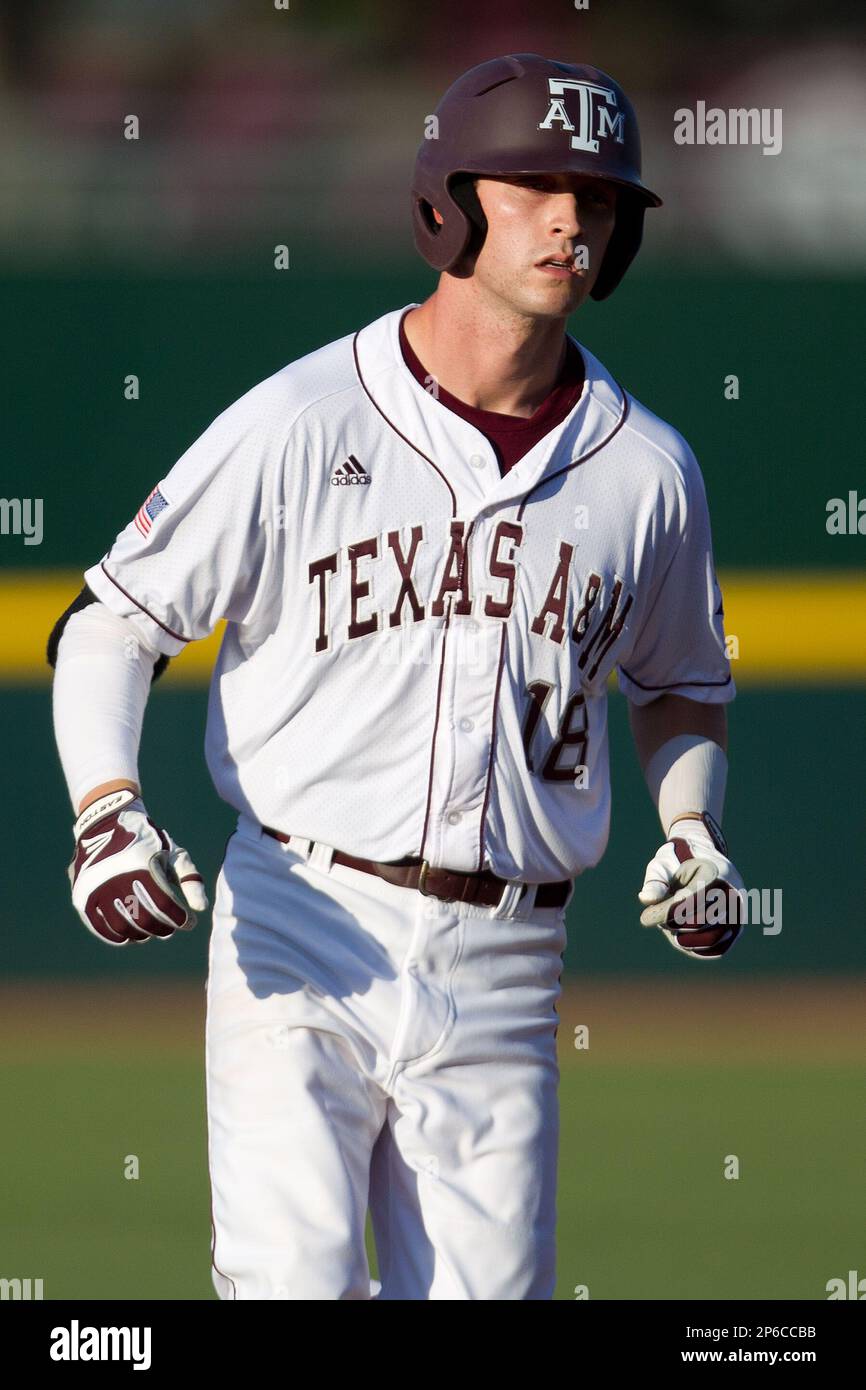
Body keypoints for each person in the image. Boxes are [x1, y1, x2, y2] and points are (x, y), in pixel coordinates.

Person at [48, 54, 745, 1301]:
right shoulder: (304, 417)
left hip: (508, 956)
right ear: (449, 205)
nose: (568, 219)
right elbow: (114, 620)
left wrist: (691, 829)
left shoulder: (648, 471)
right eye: (531, 184)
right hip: (301, 917)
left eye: (597, 196)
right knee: (291, 1285)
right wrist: (106, 810)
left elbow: (681, 678)